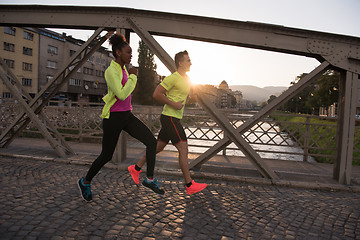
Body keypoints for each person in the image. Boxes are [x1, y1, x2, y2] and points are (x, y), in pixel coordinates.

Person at [78, 33, 164, 202]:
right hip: (113, 117)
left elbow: (129, 93)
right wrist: (133, 76)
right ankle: (85, 181)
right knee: (106, 155)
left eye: (131, 52)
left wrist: (131, 76)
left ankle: (150, 179)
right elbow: (122, 95)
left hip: (127, 115)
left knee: (151, 142)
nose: (131, 55)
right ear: (118, 53)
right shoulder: (111, 71)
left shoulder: (123, 69)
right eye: (128, 52)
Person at [128, 50, 207, 195]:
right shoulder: (173, 78)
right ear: (181, 63)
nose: (191, 63)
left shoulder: (187, 78)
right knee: (183, 149)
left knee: (157, 148)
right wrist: (173, 104)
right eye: (188, 60)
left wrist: (191, 97)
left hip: (173, 117)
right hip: (170, 118)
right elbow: (156, 94)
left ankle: (136, 168)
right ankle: (189, 184)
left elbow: (183, 96)